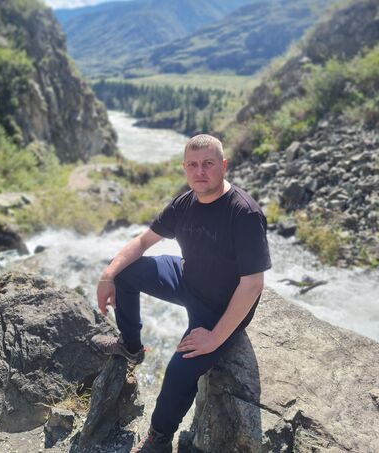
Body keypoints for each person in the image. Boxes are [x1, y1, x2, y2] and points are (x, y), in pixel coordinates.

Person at [92, 134, 271, 453]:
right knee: (126, 272)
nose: (200, 172)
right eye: (192, 165)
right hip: (186, 278)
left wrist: (215, 337)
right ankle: (131, 346)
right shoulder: (184, 204)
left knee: (178, 371)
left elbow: (252, 284)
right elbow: (143, 242)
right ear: (184, 168)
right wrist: (107, 275)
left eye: (208, 164)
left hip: (220, 307)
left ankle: (160, 438)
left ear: (223, 166)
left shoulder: (244, 213)